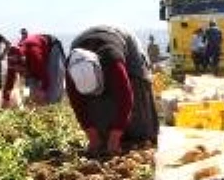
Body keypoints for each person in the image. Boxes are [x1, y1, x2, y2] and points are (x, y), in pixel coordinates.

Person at [65, 26, 159, 156]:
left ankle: (142, 135)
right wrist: (92, 136)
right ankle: (111, 134)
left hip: (121, 40)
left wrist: (115, 137)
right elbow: (78, 106)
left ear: (101, 72)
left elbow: (126, 98)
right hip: (83, 42)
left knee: (138, 87)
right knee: (101, 120)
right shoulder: (72, 71)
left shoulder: (112, 63)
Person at [2, 33, 67, 107]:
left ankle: (53, 106)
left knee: (52, 89)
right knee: (30, 86)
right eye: (18, 71)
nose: (20, 73)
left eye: (21, 70)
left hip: (52, 48)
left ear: (24, 62)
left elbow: (44, 75)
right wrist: (5, 98)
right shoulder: (12, 61)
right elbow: (9, 81)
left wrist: (43, 90)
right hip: (36, 56)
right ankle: (28, 102)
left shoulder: (34, 55)